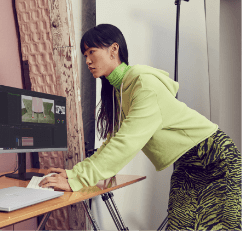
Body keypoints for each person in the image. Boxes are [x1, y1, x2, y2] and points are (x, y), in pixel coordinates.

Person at [39, 24, 242, 230]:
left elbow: (127, 142)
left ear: (113, 49)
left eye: (92, 51)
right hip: (187, 164)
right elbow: (113, 140)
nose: (88, 61)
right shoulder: (119, 91)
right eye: (85, 55)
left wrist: (77, 179)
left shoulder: (143, 84)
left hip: (215, 157)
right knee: (180, 225)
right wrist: (74, 173)